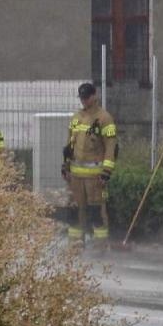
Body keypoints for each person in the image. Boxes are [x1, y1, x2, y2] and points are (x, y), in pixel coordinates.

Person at [62, 82, 117, 243]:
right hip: (75, 176)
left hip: (95, 177)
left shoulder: (104, 118)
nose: (84, 101)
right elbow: (69, 144)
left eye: (86, 98)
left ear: (94, 96)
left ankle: (100, 246)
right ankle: (75, 246)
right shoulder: (76, 118)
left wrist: (106, 171)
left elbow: (110, 147)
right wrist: (65, 166)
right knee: (74, 211)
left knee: (96, 212)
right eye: (82, 98)